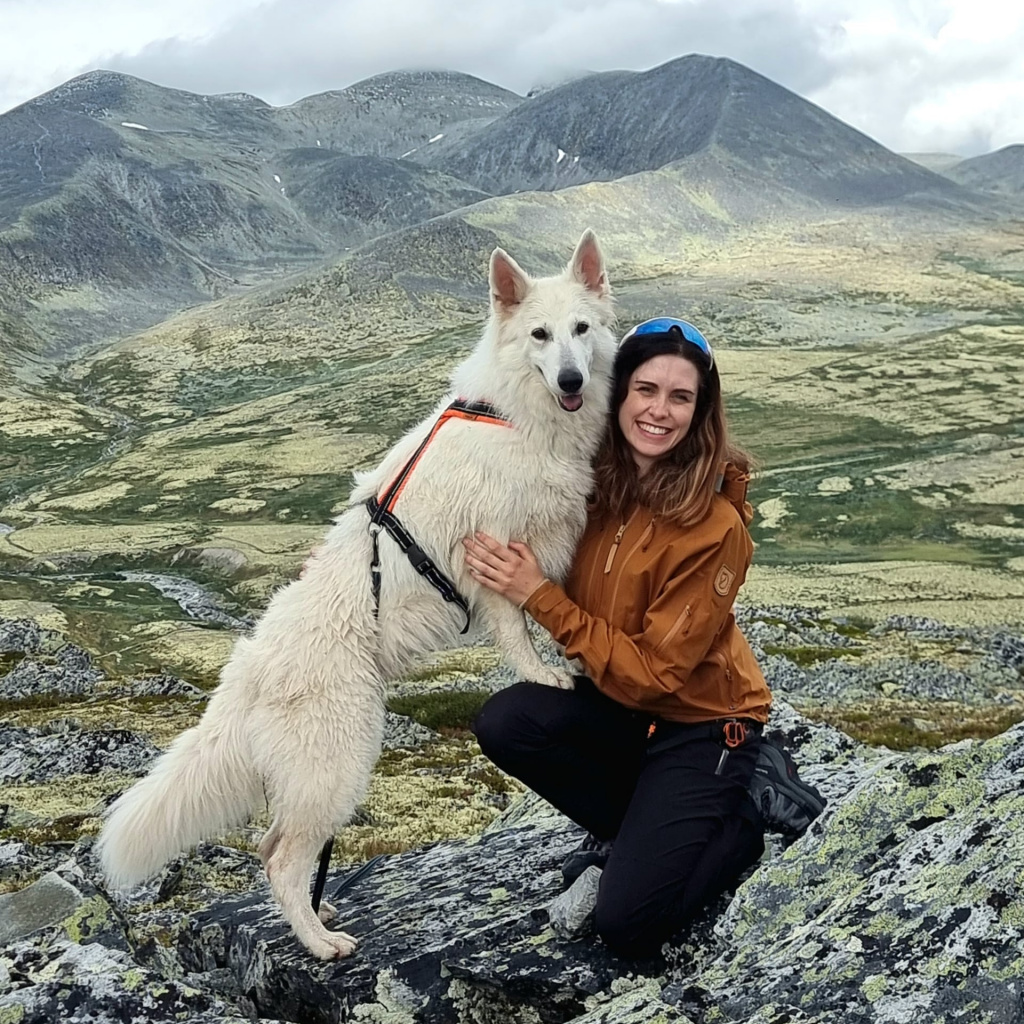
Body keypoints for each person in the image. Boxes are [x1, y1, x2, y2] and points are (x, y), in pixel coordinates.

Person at [463, 316, 772, 959]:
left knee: (626, 924)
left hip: (702, 725)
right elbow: (476, 502)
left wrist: (540, 598)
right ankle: (647, 827)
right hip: (627, 711)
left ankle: (737, 826)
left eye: (681, 397)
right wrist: (364, 553)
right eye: (645, 389)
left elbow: (658, 676)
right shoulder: (591, 478)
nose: (659, 411)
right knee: (506, 720)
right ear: (619, 390)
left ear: (701, 410)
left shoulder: (714, 528)